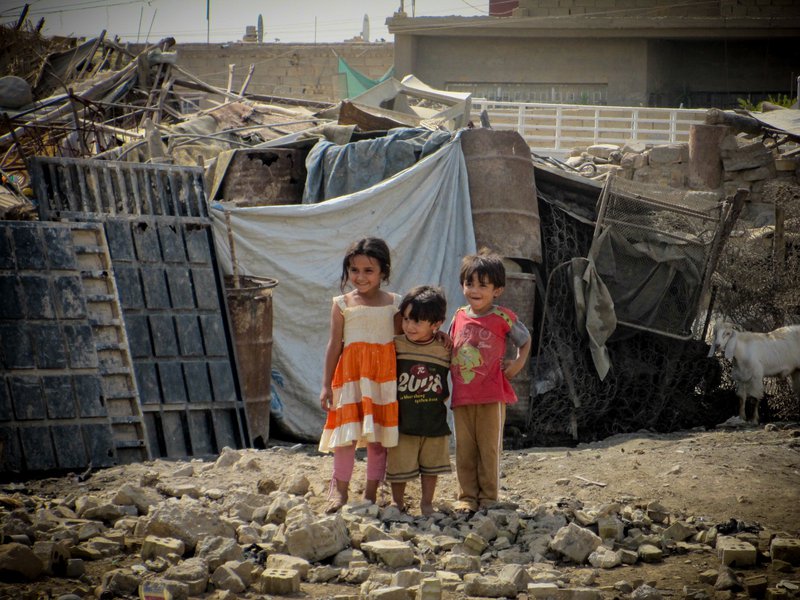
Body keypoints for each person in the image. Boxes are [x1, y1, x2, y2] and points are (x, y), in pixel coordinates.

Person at [318, 237, 401, 513]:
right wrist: (326, 385)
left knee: (378, 440)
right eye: (354, 270)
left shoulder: (395, 305)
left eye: (369, 270)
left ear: (383, 273)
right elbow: (334, 345)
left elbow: (405, 342)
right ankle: (339, 492)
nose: (360, 277)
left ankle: (371, 493)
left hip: (383, 381)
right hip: (350, 380)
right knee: (346, 438)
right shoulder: (342, 304)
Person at [449, 250, 531, 514]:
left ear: (497, 290)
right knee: (464, 449)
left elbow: (525, 340)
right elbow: (452, 349)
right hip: (462, 396)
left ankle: (488, 497)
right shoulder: (458, 316)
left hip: (491, 396)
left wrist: (517, 364)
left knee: (488, 449)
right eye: (469, 283)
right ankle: (467, 496)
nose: (474, 290)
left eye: (482, 285)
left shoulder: (503, 317)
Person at [386, 286, 452, 516]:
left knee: (431, 467)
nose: (409, 326)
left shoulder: (445, 350)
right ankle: (397, 502)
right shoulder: (397, 345)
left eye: (417, 321)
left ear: (436, 324)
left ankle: (426, 503)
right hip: (403, 420)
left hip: (433, 421)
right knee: (398, 463)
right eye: (406, 319)